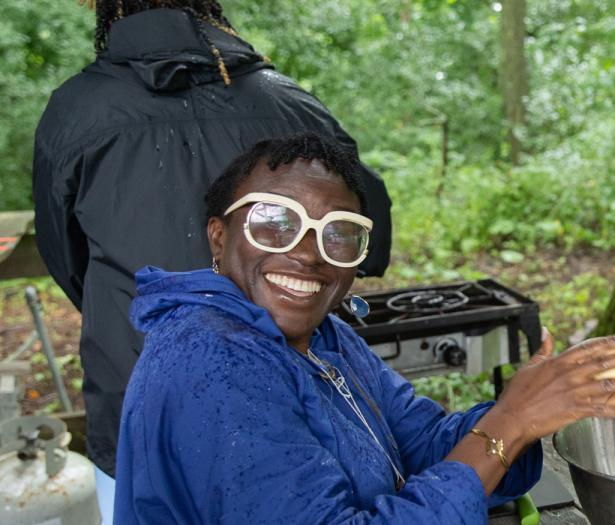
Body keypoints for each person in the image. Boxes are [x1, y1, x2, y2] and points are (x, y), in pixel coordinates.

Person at [113, 133, 615, 523]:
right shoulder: (209, 361)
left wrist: (548, 398)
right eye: (275, 223)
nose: (308, 254)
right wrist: (513, 420)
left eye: (339, 235)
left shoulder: (324, 337)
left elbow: (422, 446)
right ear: (219, 236)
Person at [31, 2, 393, 517]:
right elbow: (368, 244)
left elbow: (65, 259)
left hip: (138, 395)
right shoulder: (289, 101)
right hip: (289, 408)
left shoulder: (76, 109)